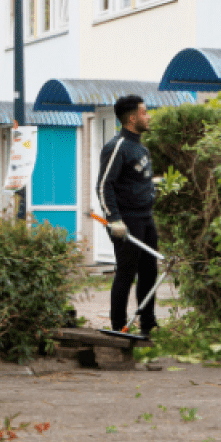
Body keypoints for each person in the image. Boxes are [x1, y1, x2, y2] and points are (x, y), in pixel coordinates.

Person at [97, 95, 158, 337]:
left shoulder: (139, 147)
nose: (148, 116)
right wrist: (113, 219)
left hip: (145, 217)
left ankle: (147, 324)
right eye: (144, 112)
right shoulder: (117, 147)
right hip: (126, 220)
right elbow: (103, 186)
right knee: (126, 272)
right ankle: (118, 328)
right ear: (132, 118)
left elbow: (133, 180)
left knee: (150, 271)